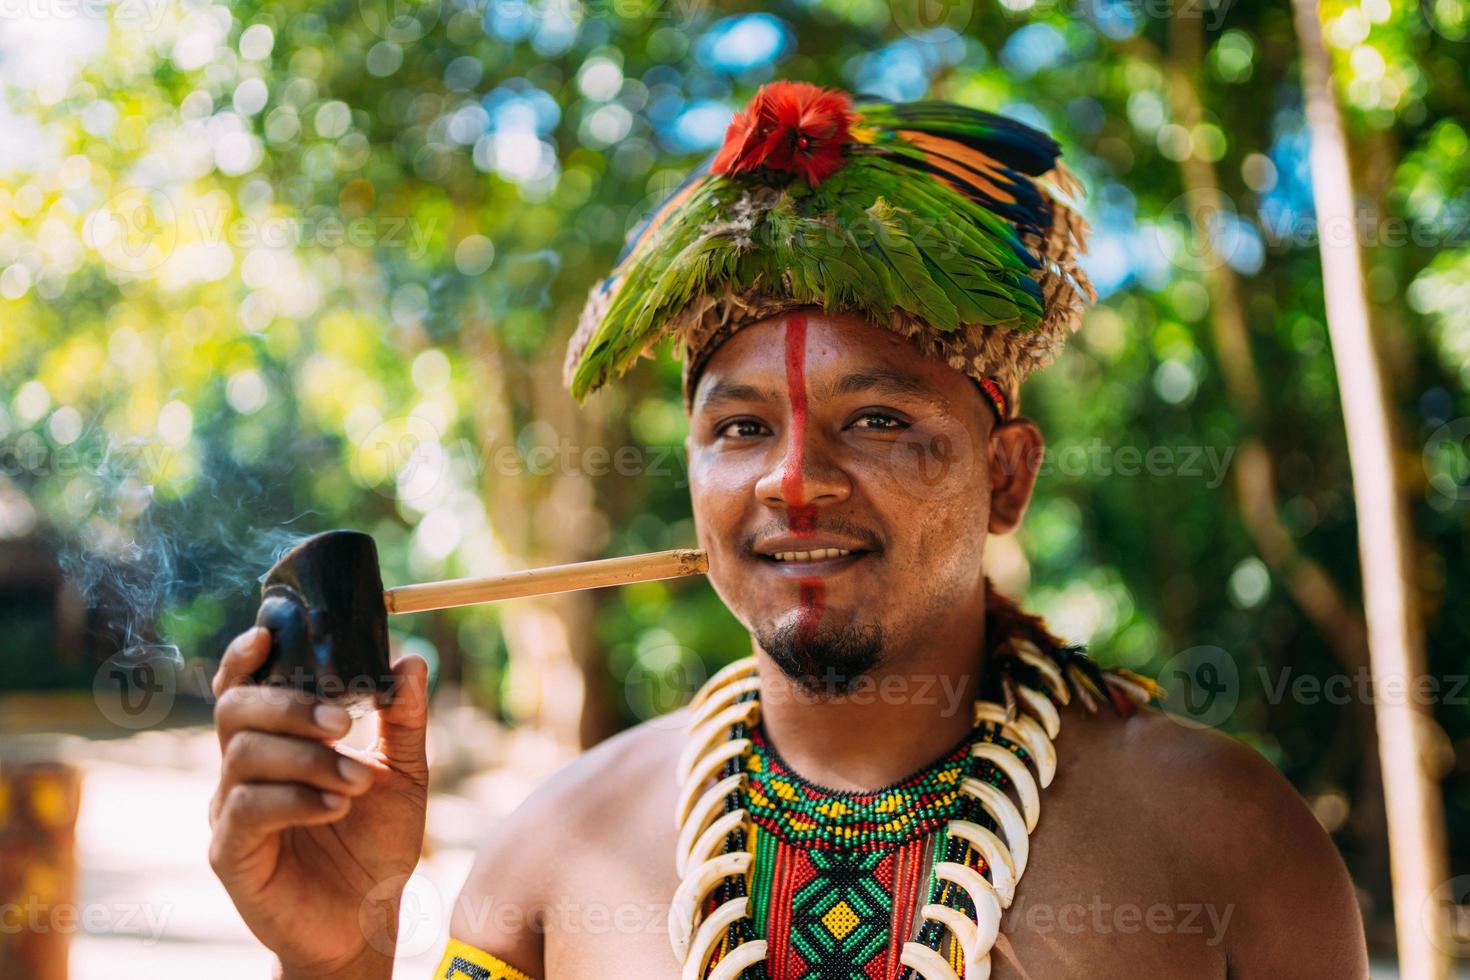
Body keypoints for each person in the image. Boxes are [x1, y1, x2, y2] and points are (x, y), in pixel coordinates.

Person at [208, 82, 1370, 979]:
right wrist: (339, 953)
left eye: (876, 418)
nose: (794, 481)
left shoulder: (1230, 848)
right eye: (743, 426)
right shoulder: (550, 860)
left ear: (1006, 479)